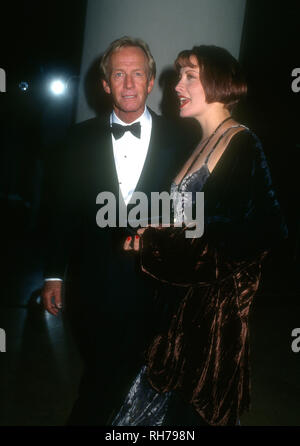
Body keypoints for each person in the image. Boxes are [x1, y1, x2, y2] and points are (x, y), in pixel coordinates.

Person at [118, 45, 288, 426]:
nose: (176, 85)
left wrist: (159, 245)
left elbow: (266, 230)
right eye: (180, 76)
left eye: (189, 76)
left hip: (214, 320)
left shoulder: (243, 142)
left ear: (220, 82)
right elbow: (200, 220)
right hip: (181, 309)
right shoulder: (205, 142)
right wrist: (160, 229)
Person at [41, 36, 197, 425]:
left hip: (162, 288)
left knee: (156, 386)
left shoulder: (186, 139)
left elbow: (195, 213)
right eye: (119, 74)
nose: (129, 83)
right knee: (101, 381)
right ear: (105, 84)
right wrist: (53, 274)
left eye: (137, 74)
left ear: (149, 82)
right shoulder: (76, 140)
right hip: (96, 287)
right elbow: (59, 211)